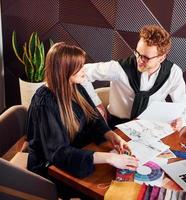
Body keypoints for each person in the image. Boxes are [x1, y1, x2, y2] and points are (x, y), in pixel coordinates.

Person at [26, 42, 138, 179]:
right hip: (50, 168)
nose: (84, 70)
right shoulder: (44, 104)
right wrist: (108, 158)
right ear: (64, 70)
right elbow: (58, 153)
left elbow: (93, 119)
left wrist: (112, 136)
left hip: (80, 153)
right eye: (79, 67)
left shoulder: (75, 86)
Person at [84, 24, 186, 130]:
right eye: (137, 53)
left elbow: (185, 108)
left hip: (152, 129)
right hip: (117, 129)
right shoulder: (119, 69)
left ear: (161, 58)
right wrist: (97, 103)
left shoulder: (173, 73)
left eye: (146, 57)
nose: (139, 60)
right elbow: (79, 72)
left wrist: (181, 120)